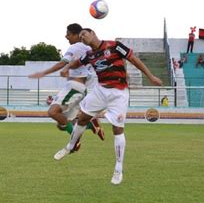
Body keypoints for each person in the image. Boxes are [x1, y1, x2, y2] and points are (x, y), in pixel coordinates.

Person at [55, 28, 163, 185]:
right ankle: (70, 146)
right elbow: (78, 62)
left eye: (84, 34)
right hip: (100, 90)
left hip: (118, 93)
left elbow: (134, 60)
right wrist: (66, 68)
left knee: (117, 129)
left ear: (92, 33)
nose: (82, 38)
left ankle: (118, 168)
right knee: (83, 118)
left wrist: (151, 77)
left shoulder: (114, 46)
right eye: (80, 37)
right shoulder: (89, 54)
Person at [28, 23, 104, 147]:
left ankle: (76, 140)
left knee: (53, 112)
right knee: (61, 124)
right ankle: (91, 124)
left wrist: (43, 73)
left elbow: (62, 63)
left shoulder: (74, 47)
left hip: (74, 87)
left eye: (68, 34)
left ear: (76, 35)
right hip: (81, 88)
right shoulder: (89, 49)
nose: (66, 36)